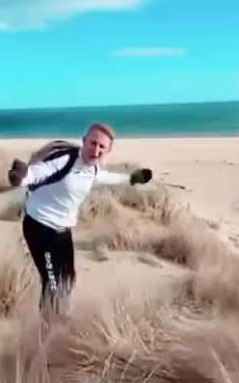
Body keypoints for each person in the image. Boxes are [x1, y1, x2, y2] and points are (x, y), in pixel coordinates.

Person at [9, 123, 152, 316]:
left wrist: (132, 179)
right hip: (39, 227)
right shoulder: (66, 160)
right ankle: (48, 328)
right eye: (93, 143)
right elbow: (39, 172)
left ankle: (60, 314)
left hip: (62, 231)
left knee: (68, 279)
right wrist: (23, 176)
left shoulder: (92, 170)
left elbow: (106, 177)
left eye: (102, 147)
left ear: (107, 150)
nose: (96, 149)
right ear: (84, 141)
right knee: (52, 282)